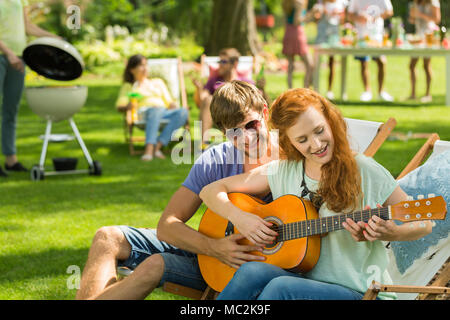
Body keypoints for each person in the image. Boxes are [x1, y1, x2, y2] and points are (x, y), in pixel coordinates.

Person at [199, 88, 433, 300]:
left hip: (360, 291)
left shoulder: (364, 169)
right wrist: (241, 218)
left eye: (320, 131)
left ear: (330, 122)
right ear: (289, 142)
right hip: (305, 282)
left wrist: (392, 231)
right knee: (251, 271)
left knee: (280, 288)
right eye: (302, 140)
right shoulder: (284, 170)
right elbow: (210, 191)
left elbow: (425, 222)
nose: (317, 144)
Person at [76, 81, 279, 299]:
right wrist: (213, 247)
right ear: (222, 132)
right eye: (234, 132)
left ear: (264, 112)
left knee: (155, 264)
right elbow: (167, 225)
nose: (246, 138)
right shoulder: (215, 160)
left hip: (258, 265)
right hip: (213, 254)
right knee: (107, 238)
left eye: (251, 125)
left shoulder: (293, 156)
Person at [0, 0, 59, 177]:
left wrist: (53, 38)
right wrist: (9, 53)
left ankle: (11, 160)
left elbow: (28, 26)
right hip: (4, 56)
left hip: (18, 59)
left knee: (11, 109)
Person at [116, 54, 188, 161]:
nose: (145, 68)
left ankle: (157, 146)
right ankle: (149, 149)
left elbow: (169, 102)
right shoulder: (129, 86)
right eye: (141, 65)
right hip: (142, 114)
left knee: (183, 112)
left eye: (146, 65)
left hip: (163, 112)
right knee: (156, 110)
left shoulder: (158, 82)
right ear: (132, 70)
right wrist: (129, 105)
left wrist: (173, 105)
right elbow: (120, 106)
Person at [192, 48, 257, 148]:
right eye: (219, 61)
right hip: (217, 117)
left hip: (238, 116)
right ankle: (204, 144)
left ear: (234, 64)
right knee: (208, 99)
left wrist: (261, 89)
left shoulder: (245, 82)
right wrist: (199, 89)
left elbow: (258, 102)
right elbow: (201, 102)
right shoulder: (214, 81)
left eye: (223, 62)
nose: (220, 65)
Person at [347, 0, 394, 102]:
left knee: (381, 62)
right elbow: (349, 15)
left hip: (377, 36)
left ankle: (381, 92)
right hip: (362, 36)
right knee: (364, 63)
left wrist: (376, 16)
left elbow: (390, 11)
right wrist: (358, 18)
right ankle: (367, 92)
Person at [313, 0, 349, 100]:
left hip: (334, 35)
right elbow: (316, 19)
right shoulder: (321, 3)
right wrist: (322, 11)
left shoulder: (342, 3)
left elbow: (343, 20)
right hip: (321, 36)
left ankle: (329, 90)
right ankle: (315, 89)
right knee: (316, 63)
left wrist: (339, 14)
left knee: (331, 62)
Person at [408, 0, 441, 103]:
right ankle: (413, 94)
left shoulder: (433, 2)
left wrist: (421, 15)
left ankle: (428, 94)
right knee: (412, 65)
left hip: (429, 37)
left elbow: (437, 19)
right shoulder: (416, 2)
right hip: (418, 37)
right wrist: (412, 16)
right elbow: (412, 20)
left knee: (426, 66)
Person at [282, 0, 314, 89]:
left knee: (291, 66)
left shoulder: (286, 2)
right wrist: (311, 14)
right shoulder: (299, 3)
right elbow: (297, 21)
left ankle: (289, 90)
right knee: (309, 64)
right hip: (297, 33)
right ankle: (306, 88)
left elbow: (285, 20)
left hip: (288, 32)